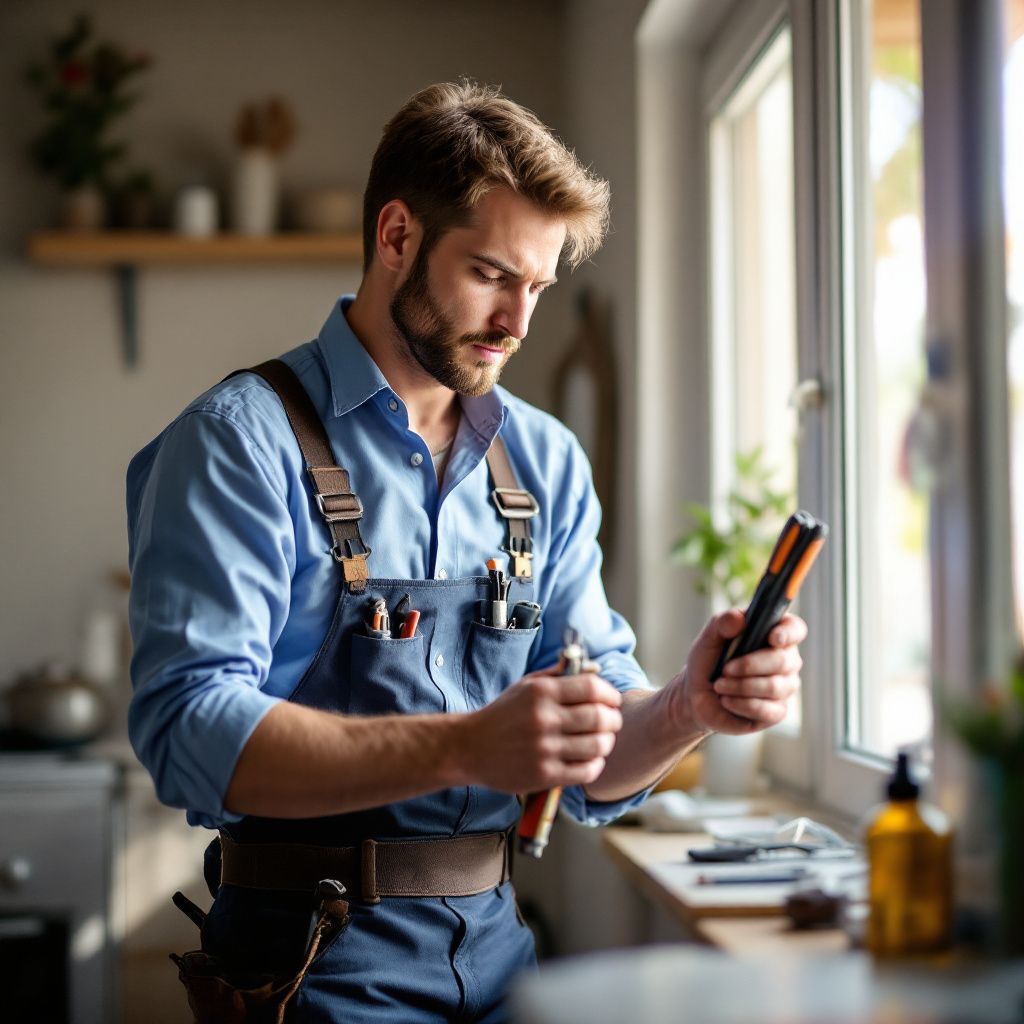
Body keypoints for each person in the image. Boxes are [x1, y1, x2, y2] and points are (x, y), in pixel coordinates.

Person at [126, 81, 806, 1023]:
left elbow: (591, 760)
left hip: (500, 961)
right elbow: (187, 731)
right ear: (396, 235)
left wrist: (691, 704)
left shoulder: (546, 461)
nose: (519, 322)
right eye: (492, 274)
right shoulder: (240, 441)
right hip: (305, 967)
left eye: (538, 286)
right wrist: (465, 746)